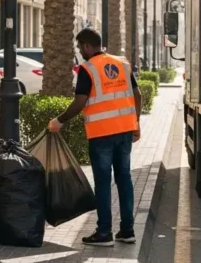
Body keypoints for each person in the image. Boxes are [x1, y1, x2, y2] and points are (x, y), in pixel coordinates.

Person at [49, 28, 141, 247]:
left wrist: (59, 121)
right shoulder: (122, 64)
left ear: (88, 46)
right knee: (124, 179)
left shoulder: (87, 68)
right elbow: (137, 95)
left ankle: (104, 233)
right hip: (125, 131)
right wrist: (136, 124)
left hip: (102, 135)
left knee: (103, 183)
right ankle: (127, 231)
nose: (80, 51)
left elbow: (80, 102)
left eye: (80, 47)